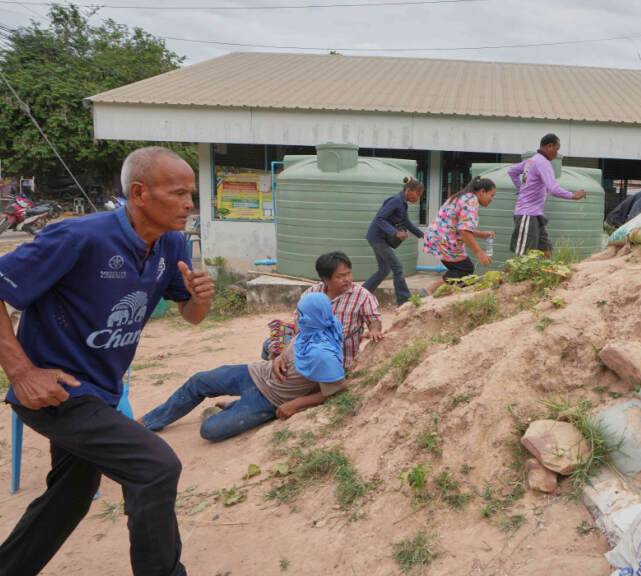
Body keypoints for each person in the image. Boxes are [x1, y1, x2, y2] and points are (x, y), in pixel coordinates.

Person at [0, 146, 213, 576]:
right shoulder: (79, 237)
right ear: (139, 193)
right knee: (155, 468)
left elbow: (191, 316)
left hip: (103, 393)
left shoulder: (171, 244)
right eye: (178, 193)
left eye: (191, 193)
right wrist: (22, 373)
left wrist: (200, 299)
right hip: (58, 393)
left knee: (71, 497)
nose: (190, 203)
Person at [142, 293, 346, 441]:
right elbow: (290, 344)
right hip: (255, 373)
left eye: (300, 313)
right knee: (199, 381)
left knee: (209, 430)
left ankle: (237, 408)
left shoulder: (324, 354)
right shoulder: (311, 328)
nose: (296, 317)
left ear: (311, 316)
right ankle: (149, 422)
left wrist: (295, 404)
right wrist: (278, 358)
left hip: (269, 400)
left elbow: (335, 390)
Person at [264, 252, 382, 372]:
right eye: (340, 276)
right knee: (270, 345)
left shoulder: (362, 296)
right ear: (325, 279)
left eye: (349, 273)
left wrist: (375, 330)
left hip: (339, 362)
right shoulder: (312, 293)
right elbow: (297, 322)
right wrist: (283, 352)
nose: (347, 279)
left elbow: (374, 320)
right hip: (309, 354)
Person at [507, 133, 587, 258]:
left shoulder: (531, 160)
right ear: (550, 146)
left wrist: (520, 189)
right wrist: (573, 195)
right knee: (523, 257)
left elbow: (512, 171)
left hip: (536, 215)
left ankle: (549, 270)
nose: (557, 153)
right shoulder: (543, 163)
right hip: (527, 215)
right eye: (557, 149)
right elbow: (553, 188)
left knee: (547, 251)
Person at [422, 176, 497, 294]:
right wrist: (479, 252)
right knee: (465, 269)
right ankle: (431, 288)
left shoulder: (463, 196)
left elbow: (462, 226)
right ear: (482, 191)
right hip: (444, 240)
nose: (492, 199)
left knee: (462, 272)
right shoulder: (471, 201)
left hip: (438, 237)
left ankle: (446, 294)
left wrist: (482, 234)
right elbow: (464, 231)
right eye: (491, 195)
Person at [362, 177, 425, 305]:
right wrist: (395, 232)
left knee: (384, 270)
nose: (418, 198)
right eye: (418, 193)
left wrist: (424, 236)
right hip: (377, 238)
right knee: (398, 268)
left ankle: (361, 294)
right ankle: (404, 301)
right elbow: (380, 218)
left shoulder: (402, 203)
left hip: (379, 238)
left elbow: (407, 223)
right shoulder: (395, 201)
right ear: (408, 190)